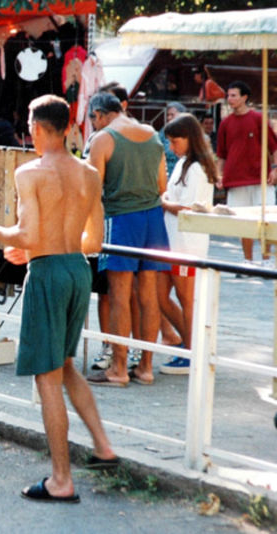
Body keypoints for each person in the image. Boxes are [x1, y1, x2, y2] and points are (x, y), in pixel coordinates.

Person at [0, 95, 116, 503]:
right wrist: (42, 244)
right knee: (65, 365)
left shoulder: (29, 172)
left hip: (49, 274)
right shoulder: (89, 174)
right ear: (68, 127)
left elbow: (28, 234)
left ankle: (61, 479)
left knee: (47, 377)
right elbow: (93, 240)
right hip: (78, 269)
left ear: (35, 128)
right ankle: (103, 447)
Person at [87, 92, 169, 387]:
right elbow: (162, 185)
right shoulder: (153, 135)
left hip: (121, 219)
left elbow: (92, 188)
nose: (93, 124)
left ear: (99, 114)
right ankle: (145, 367)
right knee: (149, 296)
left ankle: (118, 368)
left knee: (119, 295)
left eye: (92, 119)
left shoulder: (103, 139)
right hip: (154, 219)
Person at [158, 113, 217, 375]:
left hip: (186, 243)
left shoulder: (196, 168)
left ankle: (192, 351)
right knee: (160, 296)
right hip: (172, 241)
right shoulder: (184, 163)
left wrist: (162, 201)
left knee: (186, 299)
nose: (172, 147)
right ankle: (189, 343)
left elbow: (186, 207)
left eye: (175, 141)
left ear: (189, 138)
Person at [216, 80, 277, 264]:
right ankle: (247, 261)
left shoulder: (258, 119)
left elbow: (274, 147)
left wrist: (275, 169)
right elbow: (221, 154)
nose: (229, 99)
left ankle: (267, 261)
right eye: (228, 95)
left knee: (266, 220)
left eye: (233, 95)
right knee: (242, 223)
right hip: (235, 180)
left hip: (260, 179)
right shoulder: (225, 123)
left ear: (244, 97)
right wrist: (219, 175)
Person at [159, 102, 187, 177]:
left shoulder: (188, 131)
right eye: (168, 115)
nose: (169, 118)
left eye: (172, 115)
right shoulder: (164, 131)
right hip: (167, 172)